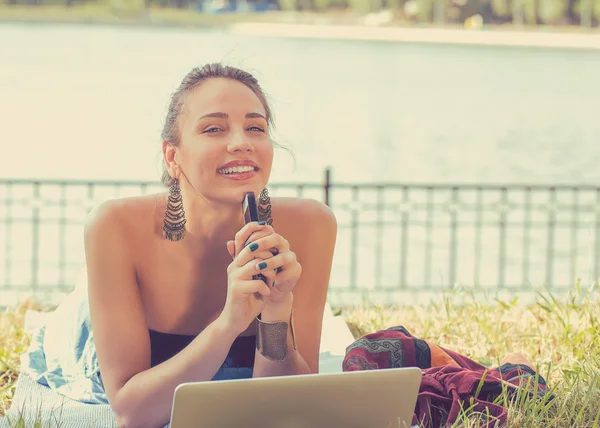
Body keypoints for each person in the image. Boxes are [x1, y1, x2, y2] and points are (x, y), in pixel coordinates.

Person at [20, 63, 337, 428]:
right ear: (173, 156)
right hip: (98, 343)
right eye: (214, 128)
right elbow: (132, 413)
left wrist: (276, 312)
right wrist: (229, 323)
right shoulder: (114, 226)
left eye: (255, 127)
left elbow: (284, 402)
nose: (242, 142)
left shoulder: (311, 226)